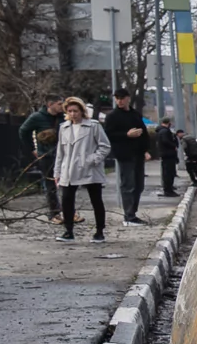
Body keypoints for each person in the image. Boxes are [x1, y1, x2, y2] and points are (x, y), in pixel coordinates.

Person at [52, 97, 108, 242]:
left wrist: (92, 159)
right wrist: (57, 172)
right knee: (67, 200)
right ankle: (68, 231)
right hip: (69, 170)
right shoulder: (64, 127)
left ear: (82, 111)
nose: (73, 114)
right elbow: (60, 152)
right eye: (69, 111)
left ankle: (99, 231)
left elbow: (105, 146)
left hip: (90, 170)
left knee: (96, 200)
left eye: (75, 111)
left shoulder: (93, 126)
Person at [101, 89, 148, 223]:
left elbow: (143, 133)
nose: (120, 101)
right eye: (117, 98)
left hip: (138, 154)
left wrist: (145, 150)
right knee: (128, 184)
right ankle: (129, 215)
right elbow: (108, 135)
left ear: (128, 98)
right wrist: (126, 135)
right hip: (124, 154)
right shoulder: (113, 116)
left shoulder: (135, 114)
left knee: (139, 185)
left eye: (122, 98)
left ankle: (133, 211)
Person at [18, 98, 65, 219]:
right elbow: (23, 131)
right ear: (50, 104)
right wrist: (32, 149)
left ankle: (69, 211)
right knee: (50, 184)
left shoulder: (63, 117)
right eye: (59, 104)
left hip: (64, 154)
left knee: (67, 183)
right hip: (47, 155)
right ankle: (54, 213)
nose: (61, 106)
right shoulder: (37, 117)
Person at [155, 117, 180, 196]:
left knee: (168, 172)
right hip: (168, 154)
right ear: (168, 123)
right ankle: (168, 190)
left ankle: (168, 189)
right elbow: (165, 141)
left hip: (166, 154)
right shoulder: (165, 131)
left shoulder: (161, 131)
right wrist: (173, 146)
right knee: (168, 173)